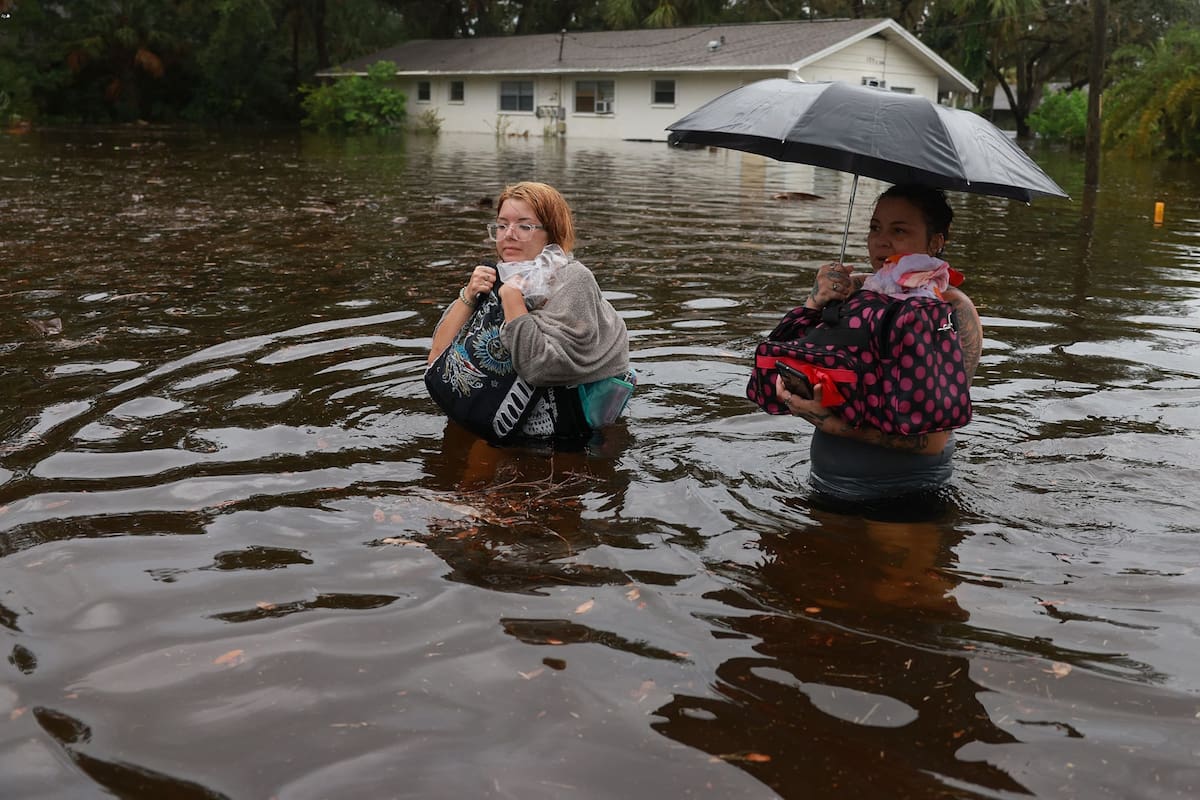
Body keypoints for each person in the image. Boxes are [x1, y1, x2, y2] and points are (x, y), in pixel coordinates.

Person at [772, 183, 983, 502]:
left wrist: (832, 425)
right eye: (875, 228)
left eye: (899, 230)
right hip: (825, 484)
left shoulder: (950, 309)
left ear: (935, 241)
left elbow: (934, 440)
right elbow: (786, 356)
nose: (881, 241)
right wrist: (815, 301)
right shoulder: (852, 291)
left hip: (907, 495)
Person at [427, 181, 631, 441]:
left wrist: (512, 299)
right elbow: (437, 358)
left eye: (525, 226)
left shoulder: (573, 279)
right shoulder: (496, 275)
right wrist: (468, 295)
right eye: (502, 225)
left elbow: (540, 368)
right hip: (494, 420)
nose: (509, 235)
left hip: (561, 437)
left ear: (551, 233)